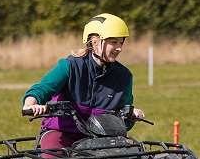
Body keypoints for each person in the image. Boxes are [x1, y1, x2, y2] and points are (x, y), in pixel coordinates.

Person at [22, 13, 145, 151]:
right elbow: (42, 89)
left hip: (101, 139)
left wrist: (131, 115)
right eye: (113, 42)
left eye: (121, 42)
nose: (119, 48)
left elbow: (122, 121)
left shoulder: (124, 76)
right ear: (94, 41)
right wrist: (31, 104)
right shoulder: (70, 66)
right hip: (62, 133)